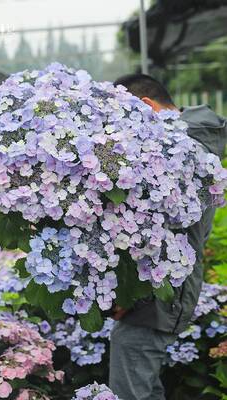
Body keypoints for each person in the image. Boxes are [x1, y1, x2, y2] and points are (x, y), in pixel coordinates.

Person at [109, 74, 227, 400]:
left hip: (163, 293)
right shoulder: (186, 146)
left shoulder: (184, 152)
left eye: (121, 119)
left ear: (145, 106)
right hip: (160, 289)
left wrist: (133, 296)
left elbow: (164, 233)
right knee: (143, 385)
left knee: (130, 380)